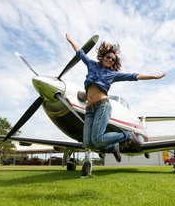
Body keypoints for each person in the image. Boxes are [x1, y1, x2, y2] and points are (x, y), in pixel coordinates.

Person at [66, 33, 166, 162]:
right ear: (102, 57)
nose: (110, 60)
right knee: (89, 143)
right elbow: (80, 53)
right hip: (89, 110)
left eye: (113, 60)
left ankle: (127, 135)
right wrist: (70, 41)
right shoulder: (91, 64)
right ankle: (113, 145)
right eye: (108, 57)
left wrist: (154, 77)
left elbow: (133, 76)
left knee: (97, 138)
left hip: (102, 106)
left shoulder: (112, 74)